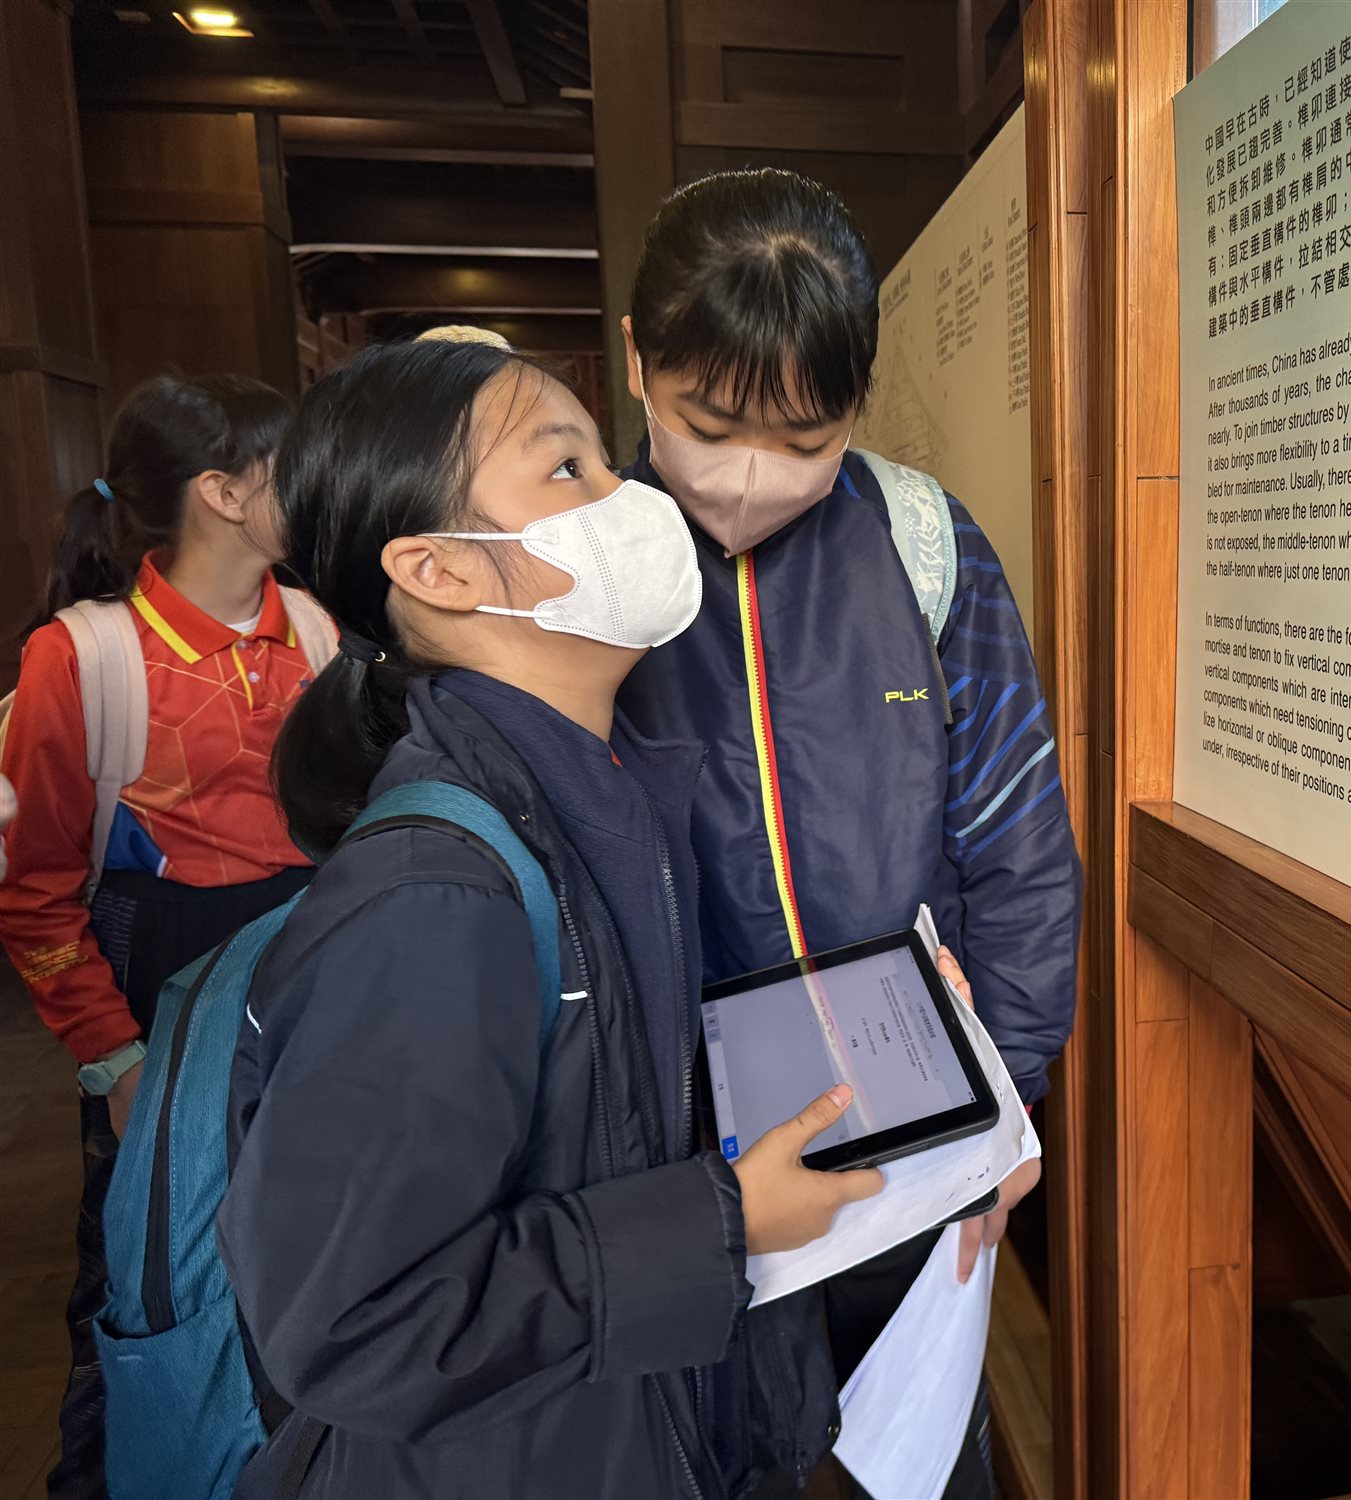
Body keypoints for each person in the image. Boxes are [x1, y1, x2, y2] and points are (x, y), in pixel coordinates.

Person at [218, 337, 879, 1498]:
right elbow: (356, 1321)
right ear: (439, 569)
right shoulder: (429, 898)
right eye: (567, 469)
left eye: (605, 462)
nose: (632, 501)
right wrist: (719, 1225)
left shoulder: (606, 792)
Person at [618, 168, 1082, 1496]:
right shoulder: (584, 559)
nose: (747, 479)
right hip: (684, 1156)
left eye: (804, 439)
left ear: (856, 404)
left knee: (911, 1454)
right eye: (708, 425)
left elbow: (1016, 843)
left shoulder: (924, 544)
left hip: (912, 1117)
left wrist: (1008, 1104)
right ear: (637, 360)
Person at [0, 373, 322, 1500]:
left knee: (307, 1259)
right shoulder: (82, 658)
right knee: (144, 1278)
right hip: (156, 995)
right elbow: (36, 890)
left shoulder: (318, 631)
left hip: (306, 983)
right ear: (223, 493)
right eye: (291, 466)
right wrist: (115, 1059)